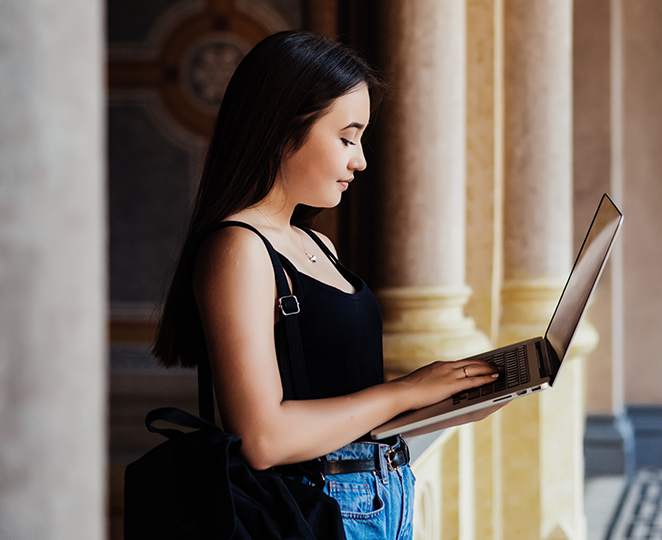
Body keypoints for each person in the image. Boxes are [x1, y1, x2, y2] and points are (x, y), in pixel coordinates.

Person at [152, 30, 501, 539]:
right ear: (281, 128)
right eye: (346, 137)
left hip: (384, 494)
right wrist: (404, 391)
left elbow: (341, 401)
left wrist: (440, 406)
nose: (359, 159)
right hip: (317, 506)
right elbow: (263, 438)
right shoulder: (239, 248)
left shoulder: (318, 245)